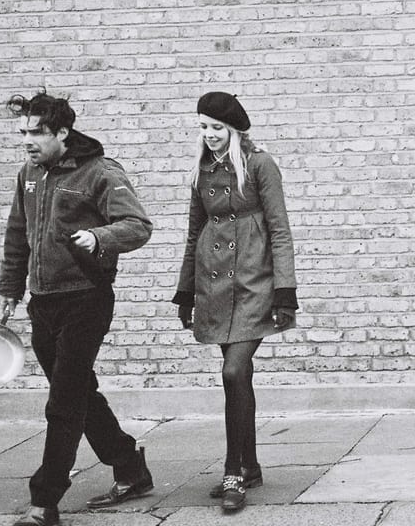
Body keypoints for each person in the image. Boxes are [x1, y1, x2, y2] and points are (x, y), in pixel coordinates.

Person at [0, 91, 155, 526]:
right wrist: (11, 288)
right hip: (42, 302)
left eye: (36, 133)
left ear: (62, 132)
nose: (27, 141)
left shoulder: (100, 172)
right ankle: (129, 467)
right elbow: (18, 233)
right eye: (22, 132)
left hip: (86, 298)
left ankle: (44, 501)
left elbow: (138, 225)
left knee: (63, 401)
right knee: (79, 391)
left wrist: (99, 238)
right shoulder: (29, 173)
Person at [173, 91, 298, 513]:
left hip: (253, 283)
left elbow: (279, 229)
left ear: (234, 129)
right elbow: (194, 232)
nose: (209, 135)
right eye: (203, 127)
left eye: (216, 128)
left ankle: (233, 472)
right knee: (238, 377)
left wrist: (285, 291)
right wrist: (185, 291)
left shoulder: (261, 165)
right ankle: (252, 466)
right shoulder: (202, 170)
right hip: (214, 285)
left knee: (232, 371)